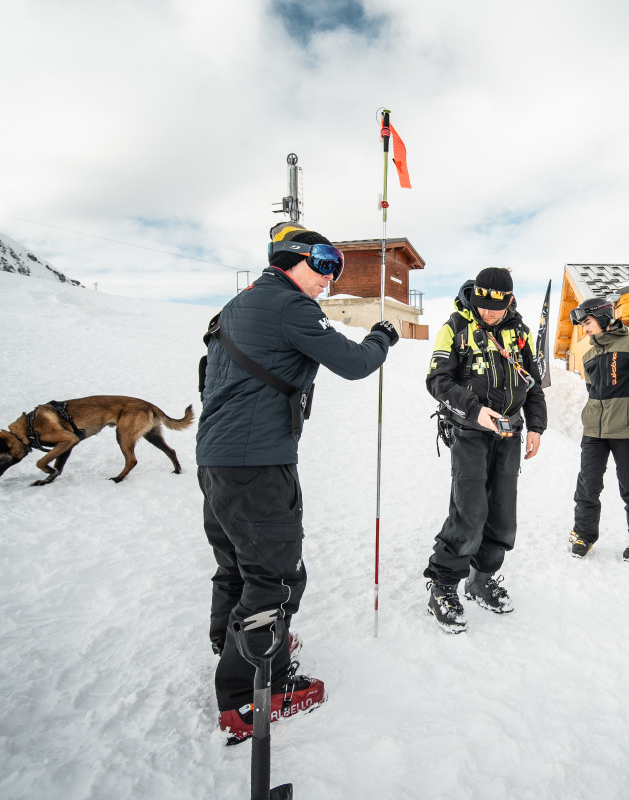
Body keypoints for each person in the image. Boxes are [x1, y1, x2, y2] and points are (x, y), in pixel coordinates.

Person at [197, 224, 398, 740]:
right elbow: (354, 363)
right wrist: (382, 336)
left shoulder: (237, 306)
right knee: (274, 577)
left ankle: (237, 645)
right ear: (290, 260)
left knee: (238, 564)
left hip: (217, 461)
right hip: (258, 463)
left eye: (336, 267)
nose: (330, 278)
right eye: (323, 264)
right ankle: (250, 695)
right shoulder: (290, 306)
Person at [423, 267, 547, 634]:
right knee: (470, 510)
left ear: (509, 301)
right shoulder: (455, 328)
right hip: (470, 433)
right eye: (481, 305)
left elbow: (534, 384)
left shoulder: (520, 333)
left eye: (495, 307)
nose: (487, 313)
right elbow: (437, 380)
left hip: (509, 435)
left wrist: (537, 426)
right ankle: (443, 585)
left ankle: (481, 579)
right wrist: (475, 410)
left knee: (502, 514)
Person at [568, 297, 629, 562]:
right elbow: (592, 391)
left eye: (588, 322)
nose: (585, 328)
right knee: (588, 482)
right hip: (593, 429)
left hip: (624, 429)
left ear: (604, 317)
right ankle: (584, 533)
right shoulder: (589, 355)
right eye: (582, 324)